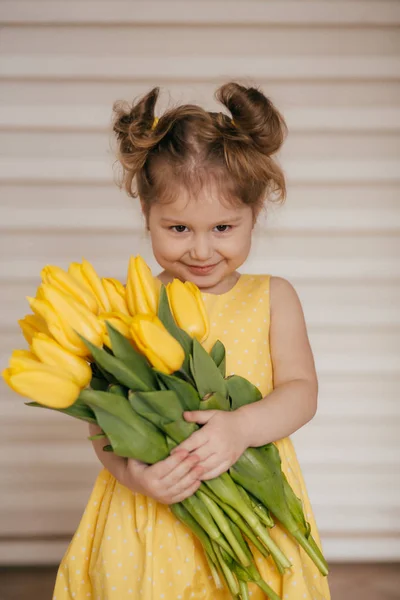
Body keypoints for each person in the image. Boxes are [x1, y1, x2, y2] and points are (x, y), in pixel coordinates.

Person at [53, 82, 331, 600]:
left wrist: (242, 428)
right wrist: (134, 476)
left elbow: (301, 391)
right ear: (147, 217)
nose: (201, 250)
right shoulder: (129, 308)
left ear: (255, 217)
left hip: (252, 501)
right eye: (178, 228)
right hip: (155, 513)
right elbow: (103, 422)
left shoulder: (273, 297)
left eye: (224, 227)